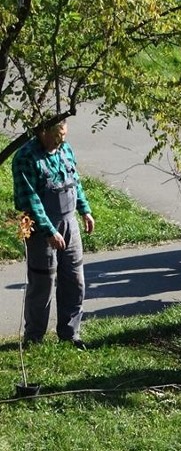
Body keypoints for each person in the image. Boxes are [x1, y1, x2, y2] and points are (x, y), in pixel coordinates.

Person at [12, 120, 95, 349]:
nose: (61, 140)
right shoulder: (26, 157)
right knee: (43, 282)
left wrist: (85, 210)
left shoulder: (65, 148)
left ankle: (70, 333)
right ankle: (35, 336)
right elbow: (31, 200)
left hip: (69, 222)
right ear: (42, 132)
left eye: (64, 135)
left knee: (74, 279)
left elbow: (74, 181)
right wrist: (49, 231)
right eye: (57, 136)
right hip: (41, 227)